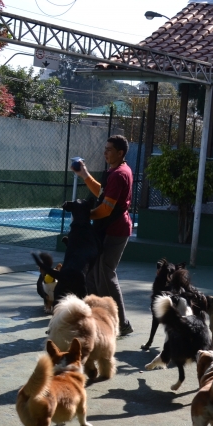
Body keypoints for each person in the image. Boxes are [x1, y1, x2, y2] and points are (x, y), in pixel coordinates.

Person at [73, 134, 134, 336]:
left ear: (120, 152)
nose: (105, 152)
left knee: (106, 274)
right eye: (105, 148)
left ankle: (122, 324)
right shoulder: (114, 171)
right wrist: (85, 174)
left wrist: (84, 215)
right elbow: (102, 194)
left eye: (109, 149)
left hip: (115, 231)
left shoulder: (119, 174)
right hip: (105, 229)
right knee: (92, 274)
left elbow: (106, 209)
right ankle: (96, 317)